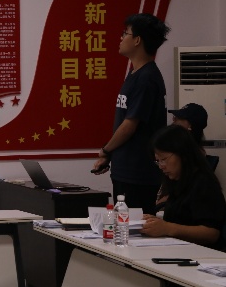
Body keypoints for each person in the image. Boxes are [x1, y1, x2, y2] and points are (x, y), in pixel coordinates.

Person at [92, 13, 171, 214]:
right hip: (124, 169)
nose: (120, 38)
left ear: (137, 40)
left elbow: (129, 126)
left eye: (125, 33)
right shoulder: (135, 73)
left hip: (138, 173)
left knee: (132, 228)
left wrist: (106, 150)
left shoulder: (147, 78)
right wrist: (111, 155)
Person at [141, 125, 225, 248]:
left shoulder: (203, 183)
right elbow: (179, 221)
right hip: (178, 248)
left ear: (183, 154)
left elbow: (211, 233)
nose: (161, 166)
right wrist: (156, 223)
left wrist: (167, 228)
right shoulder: (177, 180)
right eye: (158, 161)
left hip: (201, 253)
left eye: (164, 159)